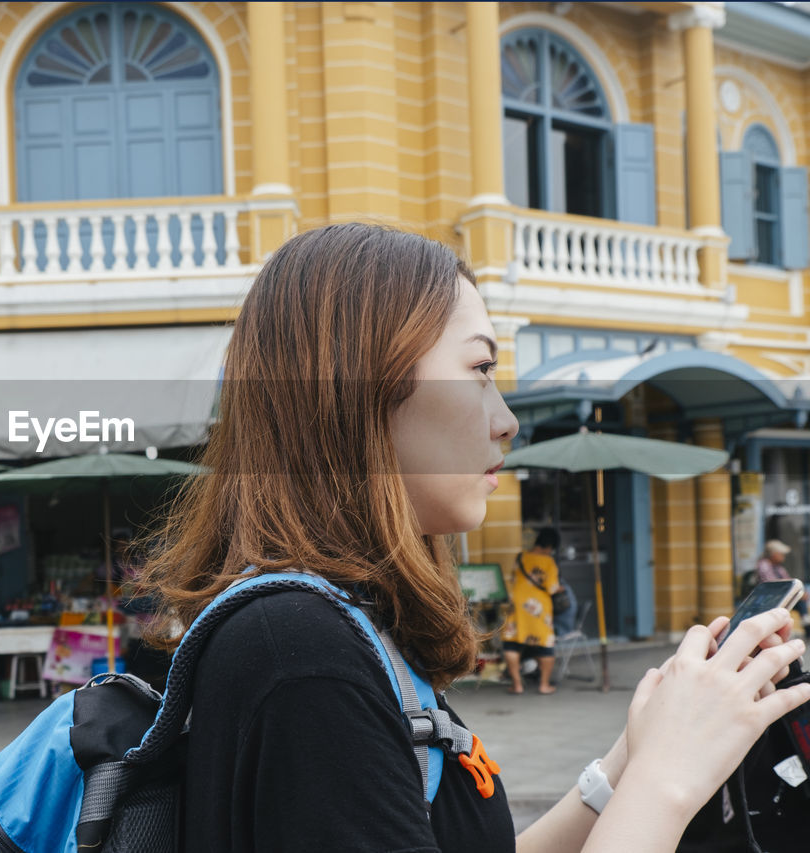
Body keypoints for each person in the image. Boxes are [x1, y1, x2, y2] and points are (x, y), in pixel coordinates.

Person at [138, 223, 810, 853]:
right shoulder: (300, 653)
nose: (507, 420)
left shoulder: (345, 626)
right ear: (364, 387)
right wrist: (669, 777)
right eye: (480, 369)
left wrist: (630, 758)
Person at [502, 527, 563, 694]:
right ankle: (544, 685)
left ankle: (517, 685)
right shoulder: (549, 562)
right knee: (545, 645)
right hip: (539, 608)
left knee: (511, 645)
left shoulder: (521, 556)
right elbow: (551, 587)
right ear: (550, 545)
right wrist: (560, 589)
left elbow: (514, 578)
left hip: (518, 604)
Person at [756, 538, 809, 626]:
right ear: (773, 554)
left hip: (780, 597)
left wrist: (799, 593)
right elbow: (774, 585)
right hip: (769, 599)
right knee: (799, 600)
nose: (783, 557)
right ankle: (806, 621)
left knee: (800, 599)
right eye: (781, 554)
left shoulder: (778, 567)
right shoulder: (764, 565)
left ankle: (806, 621)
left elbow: (790, 582)